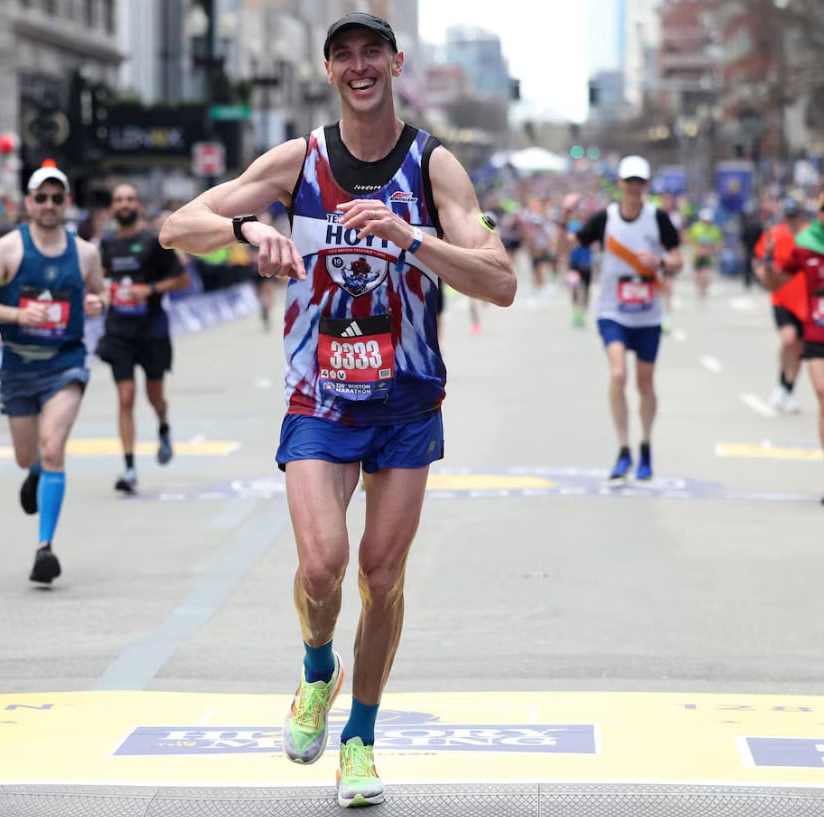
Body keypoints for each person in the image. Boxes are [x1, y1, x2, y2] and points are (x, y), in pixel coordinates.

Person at [159, 13, 515, 808]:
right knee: (321, 565)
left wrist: (406, 235)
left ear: (395, 63)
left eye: (372, 53)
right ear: (328, 71)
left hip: (407, 399)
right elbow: (176, 226)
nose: (359, 67)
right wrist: (252, 229)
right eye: (344, 55)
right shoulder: (301, 160)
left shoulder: (434, 166)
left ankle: (359, 739)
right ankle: (318, 667)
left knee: (380, 576)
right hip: (319, 394)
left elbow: (500, 278)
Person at [0, 166, 106, 584]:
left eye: (58, 198)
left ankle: (44, 549)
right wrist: (19, 313)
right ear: (29, 203)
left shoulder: (86, 252)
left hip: (65, 362)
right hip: (19, 363)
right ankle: (34, 471)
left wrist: (96, 304)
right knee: (27, 454)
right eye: (43, 198)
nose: (50, 205)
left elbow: (100, 292)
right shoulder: (5, 249)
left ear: (66, 203)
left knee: (54, 446)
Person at [563, 156, 683, 482]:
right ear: (620, 183)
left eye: (639, 182)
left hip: (648, 314)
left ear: (645, 186)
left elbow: (678, 259)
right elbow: (568, 246)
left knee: (645, 384)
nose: (633, 188)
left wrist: (659, 261)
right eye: (629, 181)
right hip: (612, 310)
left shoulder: (658, 218)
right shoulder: (606, 218)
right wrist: (566, 215)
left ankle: (645, 445)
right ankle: (623, 448)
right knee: (618, 374)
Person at [757, 186, 824, 506]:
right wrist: (767, 267)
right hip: (818, 336)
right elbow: (778, 282)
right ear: (818, 215)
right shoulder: (806, 246)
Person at [96, 182, 190, 493]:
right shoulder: (106, 246)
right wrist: (99, 297)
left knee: (154, 396)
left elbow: (182, 279)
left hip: (152, 331)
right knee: (125, 397)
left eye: (130, 199)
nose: (124, 204)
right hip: (119, 332)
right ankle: (129, 468)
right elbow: (99, 283)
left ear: (138, 204)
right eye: (119, 199)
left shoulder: (154, 242)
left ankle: (163, 425)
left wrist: (148, 290)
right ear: (112, 207)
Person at [754, 197, 808, 413]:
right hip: (782, 297)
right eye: (789, 215)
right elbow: (759, 259)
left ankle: (788, 389)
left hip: (807, 300)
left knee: (799, 348)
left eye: (795, 215)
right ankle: (781, 384)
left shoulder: (811, 235)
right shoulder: (774, 234)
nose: (792, 219)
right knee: (788, 340)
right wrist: (763, 272)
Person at [685, 208, 722, 300]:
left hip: (709, 256)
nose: (707, 222)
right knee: (698, 274)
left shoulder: (715, 229)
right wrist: (696, 249)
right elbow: (688, 239)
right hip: (697, 256)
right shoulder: (695, 228)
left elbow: (719, 242)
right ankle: (700, 289)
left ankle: (704, 289)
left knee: (706, 274)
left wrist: (712, 250)